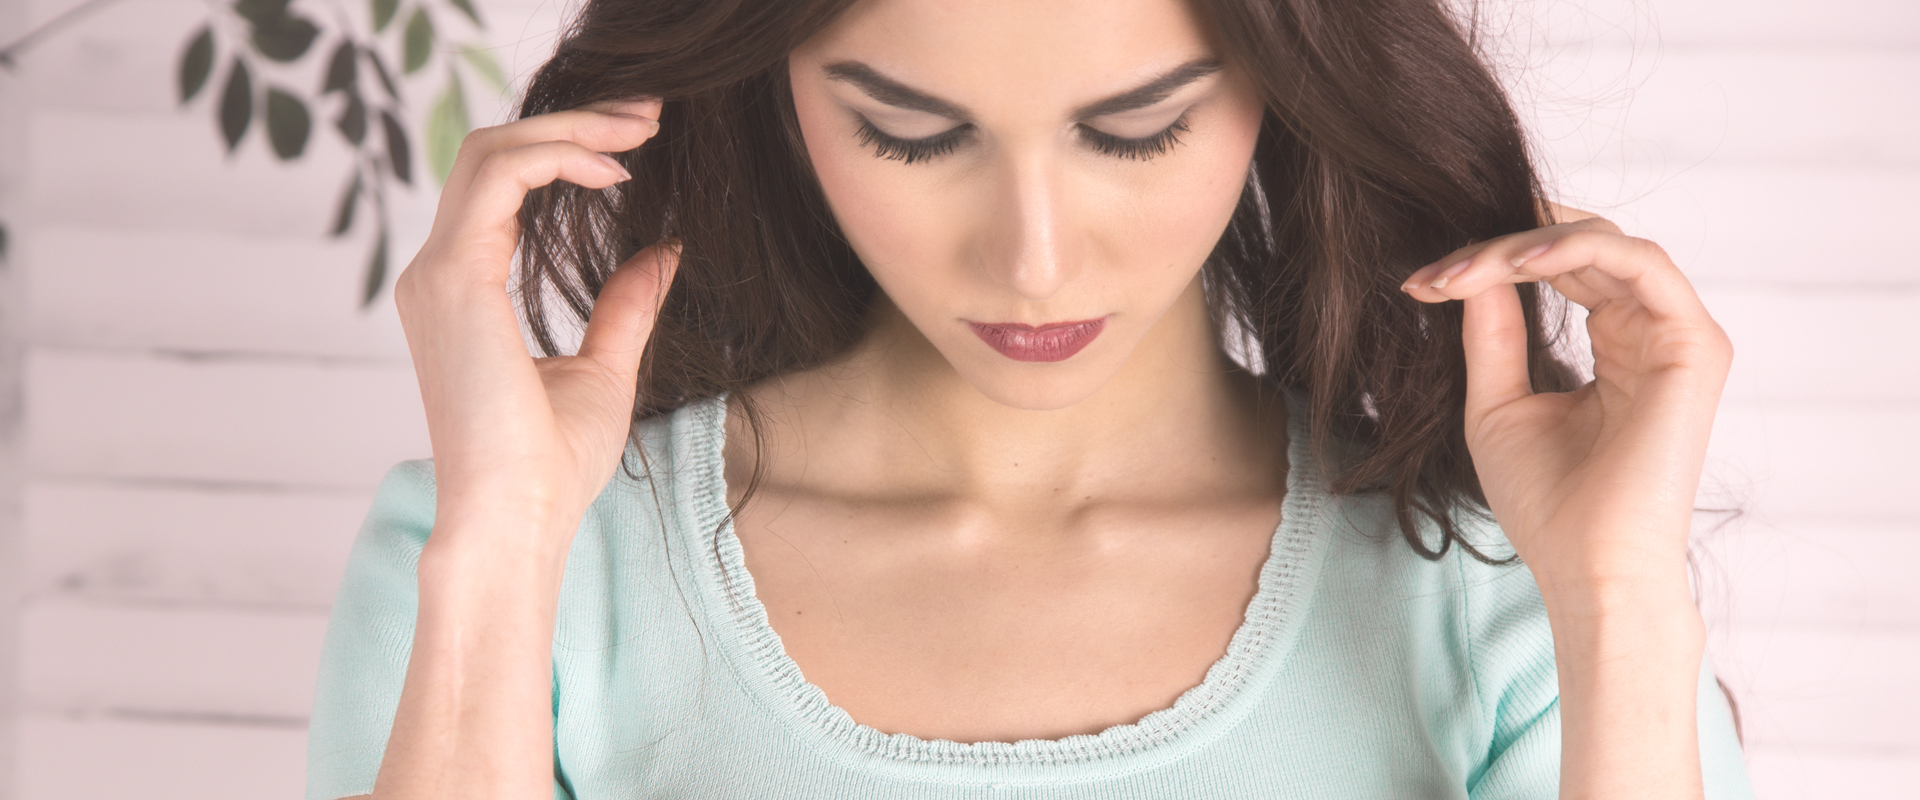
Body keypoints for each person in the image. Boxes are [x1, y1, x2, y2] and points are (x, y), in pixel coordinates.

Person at [304, 0, 1754, 797]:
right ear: (773, 86)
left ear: (1284, 79)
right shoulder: (523, 559)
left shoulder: (1507, 593)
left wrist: (1616, 602)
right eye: (911, 134)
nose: (1033, 260)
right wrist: (500, 553)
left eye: (1136, 131)